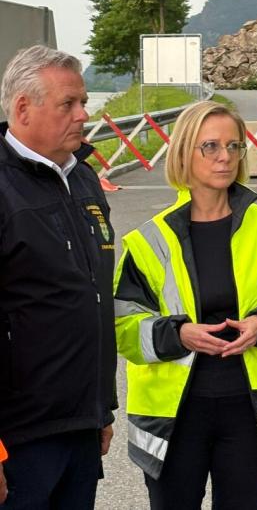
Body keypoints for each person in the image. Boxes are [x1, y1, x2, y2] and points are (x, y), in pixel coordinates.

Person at [114, 100, 257, 510]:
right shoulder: (147, 241)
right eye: (210, 146)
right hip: (173, 419)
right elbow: (123, 330)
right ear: (184, 153)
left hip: (247, 410)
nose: (224, 157)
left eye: (234, 146)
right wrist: (179, 334)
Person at [0, 46, 117, 508]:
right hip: (19, 435)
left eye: (83, 102)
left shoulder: (83, 178)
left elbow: (93, 299)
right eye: (68, 103)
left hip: (80, 424)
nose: (83, 114)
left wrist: (100, 408)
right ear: (23, 108)